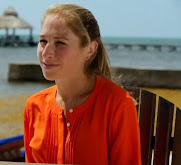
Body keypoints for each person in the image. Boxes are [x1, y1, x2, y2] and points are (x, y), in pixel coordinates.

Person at [23, 3, 141, 165]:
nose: (46, 53)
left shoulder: (117, 104)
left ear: (90, 50)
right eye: (43, 41)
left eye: (60, 43)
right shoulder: (34, 106)